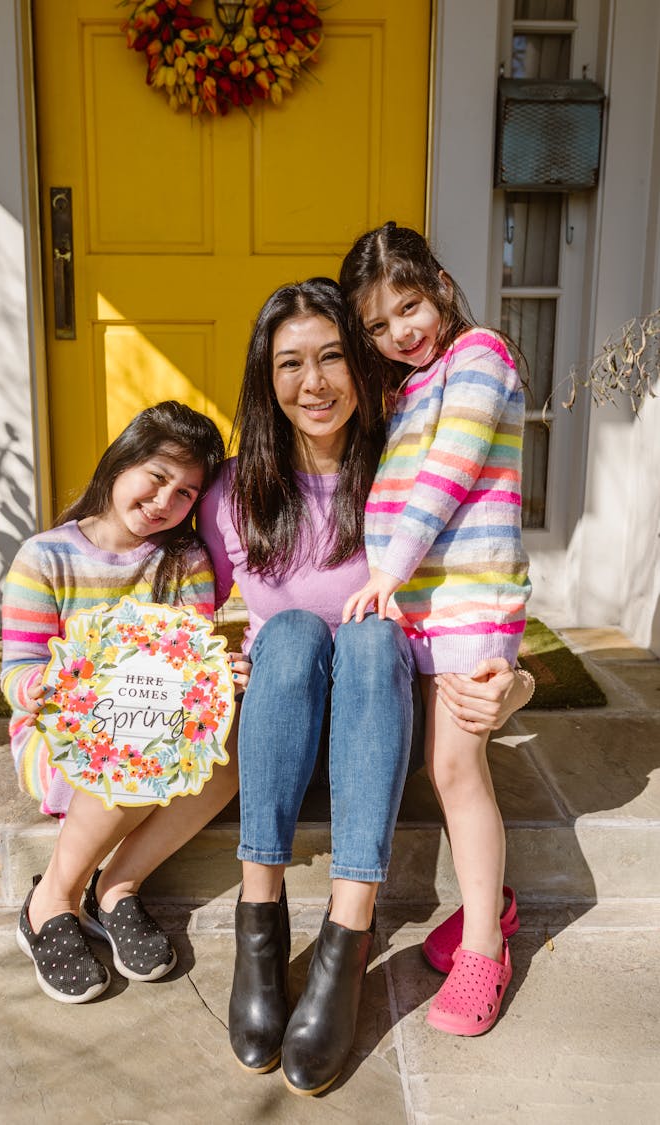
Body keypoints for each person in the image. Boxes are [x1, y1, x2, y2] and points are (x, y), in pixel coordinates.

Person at [198, 279, 532, 1094]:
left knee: (373, 631)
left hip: (376, 740)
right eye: (290, 364)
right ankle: (260, 925)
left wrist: (514, 682)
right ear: (264, 378)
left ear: (363, 365)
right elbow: (175, 625)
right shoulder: (232, 494)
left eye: (332, 357)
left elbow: (479, 594)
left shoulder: (403, 475)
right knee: (291, 633)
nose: (313, 383)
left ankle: (347, 935)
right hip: (277, 742)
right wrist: (215, 660)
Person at [340, 222, 534, 1037]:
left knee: (455, 766)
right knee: (437, 761)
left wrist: (388, 568)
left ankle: (486, 947)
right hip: (423, 599)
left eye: (409, 307)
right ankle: (501, 901)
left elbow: (450, 472)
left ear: (442, 284)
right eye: (379, 327)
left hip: (470, 597)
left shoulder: (480, 356)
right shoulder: (410, 384)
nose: (399, 335)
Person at [1, 401, 250, 1003]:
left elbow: (189, 663)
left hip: (155, 731)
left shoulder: (183, 560)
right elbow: (17, 676)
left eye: (187, 493)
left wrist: (220, 674)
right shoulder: (46, 557)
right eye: (157, 477)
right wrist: (61, 686)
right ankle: (49, 902)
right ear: (121, 462)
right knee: (134, 744)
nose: (167, 501)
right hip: (60, 735)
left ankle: (116, 885)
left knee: (235, 740)